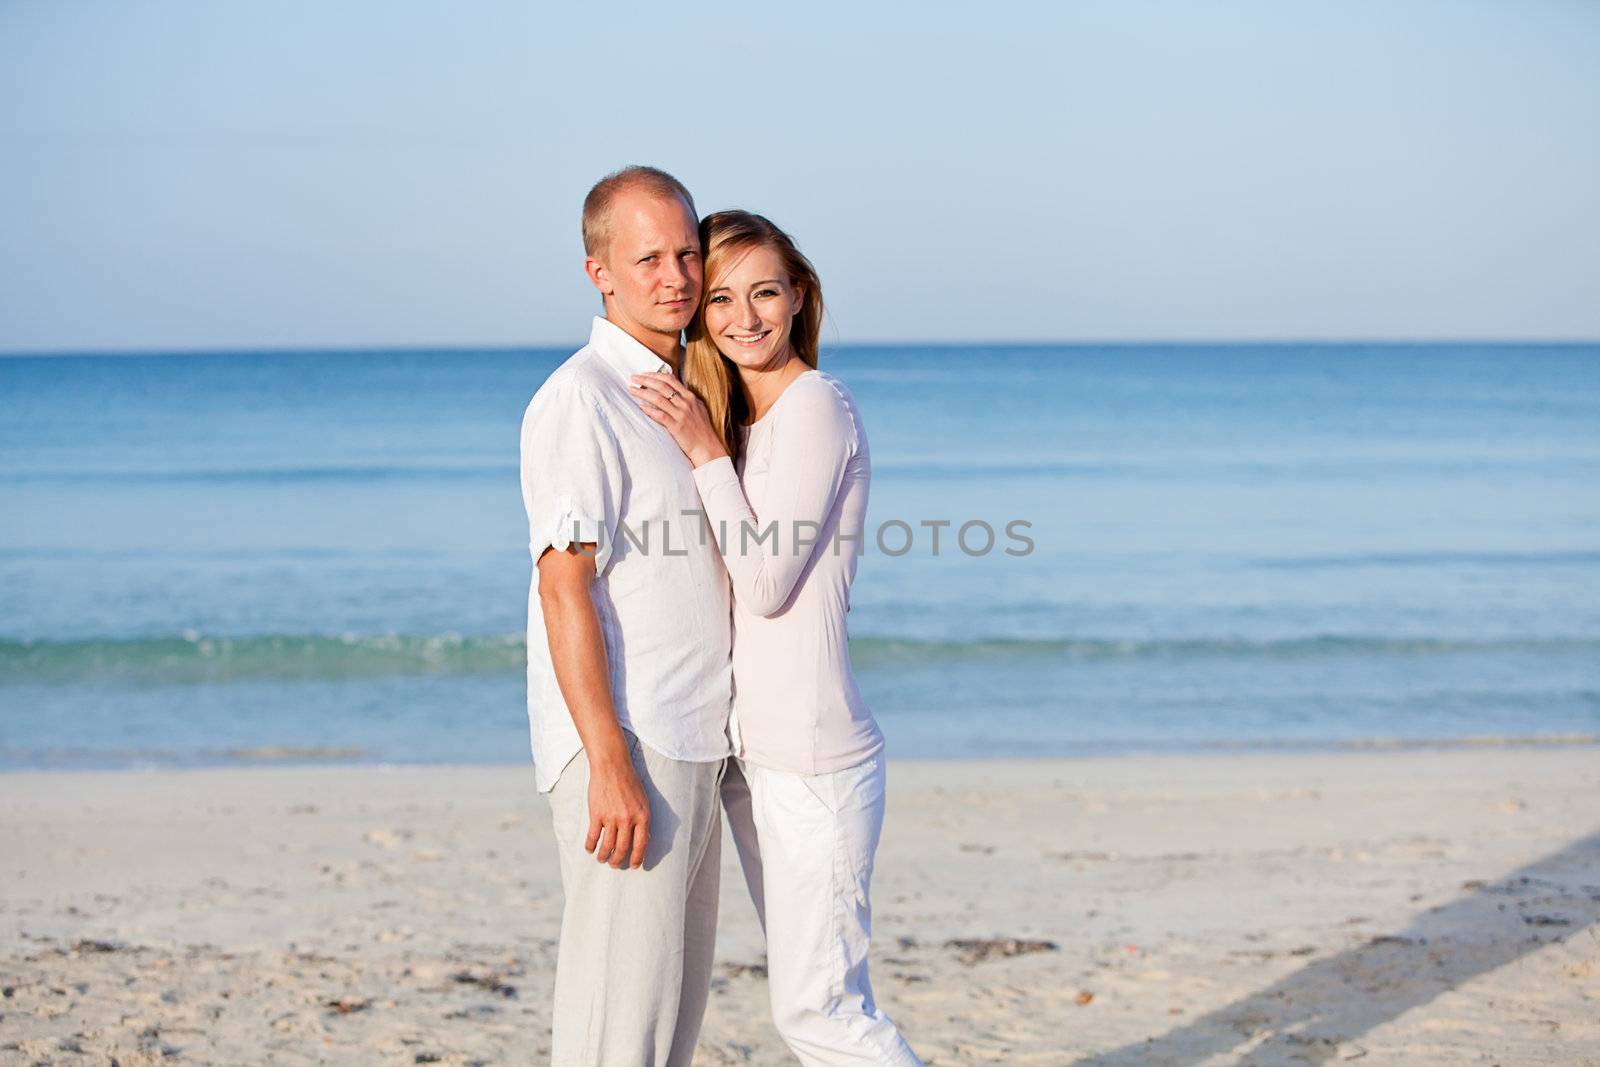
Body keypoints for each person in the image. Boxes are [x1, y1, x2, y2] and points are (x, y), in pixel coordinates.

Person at [630, 210, 924, 1066]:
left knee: (820, 1013)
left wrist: (695, 447)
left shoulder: (816, 406)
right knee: (827, 1000)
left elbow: (764, 582)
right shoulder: (750, 426)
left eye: (765, 292)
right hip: (759, 761)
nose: (744, 316)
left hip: (817, 763)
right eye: (720, 298)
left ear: (799, 297)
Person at [518, 165, 731, 1066]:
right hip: (631, 743)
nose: (675, 276)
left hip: (693, 736)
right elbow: (562, 587)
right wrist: (608, 758)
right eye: (648, 257)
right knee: (617, 1026)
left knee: (666, 1022)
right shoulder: (581, 398)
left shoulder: (680, 391)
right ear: (599, 270)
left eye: (686, 252)